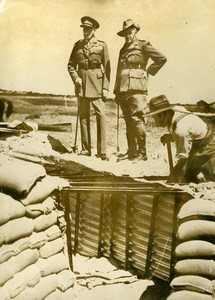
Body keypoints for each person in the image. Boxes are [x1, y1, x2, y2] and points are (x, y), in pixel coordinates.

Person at [114, 19, 167, 161]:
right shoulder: (123, 49)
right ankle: (131, 152)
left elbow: (161, 58)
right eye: (125, 33)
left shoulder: (143, 45)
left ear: (135, 31)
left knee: (137, 119)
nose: (127, 35)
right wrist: (116, 91)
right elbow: (119, 71)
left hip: (138, 88)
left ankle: (142, 153)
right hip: (123, 89)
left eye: (130, 32)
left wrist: (148, 71)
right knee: (128, 120)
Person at [68, 16, 111, 161]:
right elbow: (71, 65)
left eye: (87, 29)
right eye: (83, 29)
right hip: (82, 85)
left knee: (101, 116)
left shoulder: (102, 45)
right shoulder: (77, 45)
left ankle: (102, 151)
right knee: (84, 117)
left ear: (94, 30)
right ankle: (86, 149)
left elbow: (108, 68)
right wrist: (76, 78)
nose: (85, 31)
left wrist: (105, 87)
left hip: (98, 85)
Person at [147, 94, 215, 183]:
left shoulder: (180, 130)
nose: (155, 121)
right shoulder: (175, 110)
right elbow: (189, 131)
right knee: (183, 174)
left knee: (185, 176)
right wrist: (171, 136)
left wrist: (177, 180)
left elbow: (183, 157)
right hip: (197, 144)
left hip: (208, 147)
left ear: (162, 114)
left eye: (155, 117)